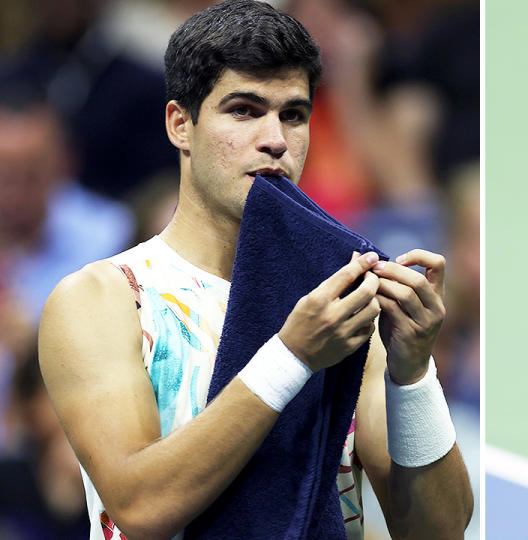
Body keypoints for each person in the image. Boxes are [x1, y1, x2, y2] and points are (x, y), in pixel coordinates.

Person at [37, 1, 472, 539]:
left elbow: (439, 530)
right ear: (180, 125)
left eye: (294, 115)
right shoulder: (102, 298)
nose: (275, 139)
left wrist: (413, 372)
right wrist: (291, 357)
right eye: (244, 110)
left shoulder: (342, 303)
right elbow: (142, 508)